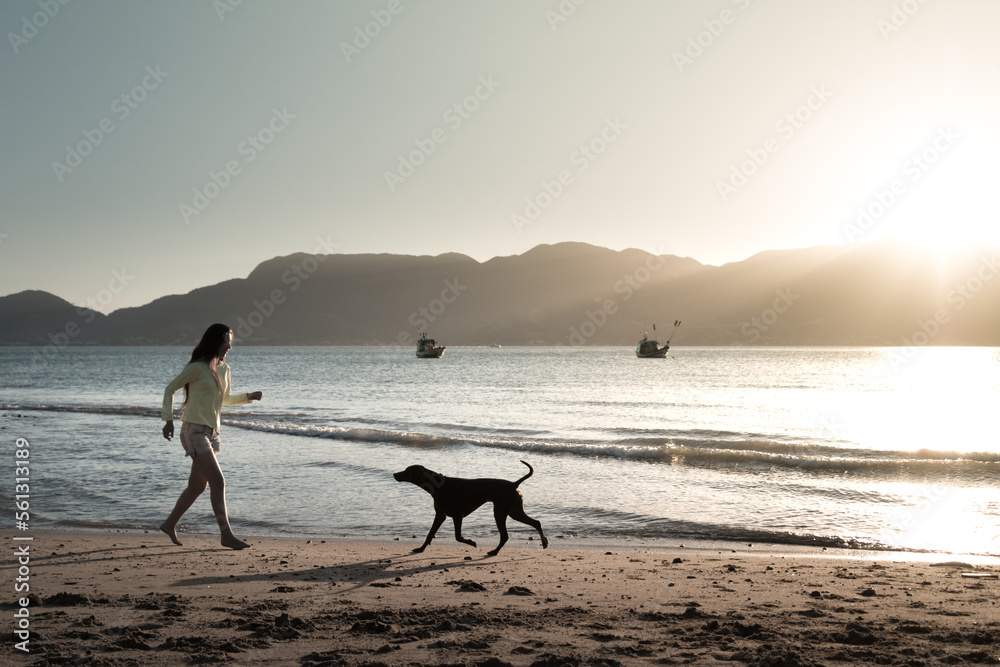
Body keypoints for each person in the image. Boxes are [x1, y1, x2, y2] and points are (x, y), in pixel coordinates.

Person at [160, 323, 263, 550]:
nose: (229, 347)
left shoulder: (224, 369)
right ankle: (226, 535)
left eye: (230, 343)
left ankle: (169, 525)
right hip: (193, 431)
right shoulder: (197, 367)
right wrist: (167, 419)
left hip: (212, 433)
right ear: (214, 341)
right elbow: (170, 389)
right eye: (226, 341)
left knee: (197, 487)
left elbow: (224, 399)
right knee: (218, 481)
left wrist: (248, 397)